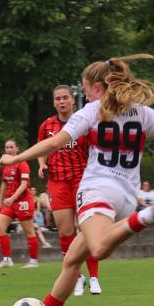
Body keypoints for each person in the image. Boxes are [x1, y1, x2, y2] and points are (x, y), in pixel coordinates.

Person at [0, 54, 154, 306]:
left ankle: (144, 216)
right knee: (72, 260)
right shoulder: (144, 113)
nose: (85, 96)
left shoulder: (93, 111)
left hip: (97, 191)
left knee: (97, 249)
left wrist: (16, 158)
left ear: (97, 88)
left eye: (85, 90)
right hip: (126, 197)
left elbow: (55, 143)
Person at [37, 85, 102, 294]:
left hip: (81, 181)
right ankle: (76, 276)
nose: (62, 102)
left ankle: (94, 277)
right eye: (58, 99)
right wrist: (41, 164)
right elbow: (42, 147)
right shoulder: (47, 126)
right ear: (54, 102)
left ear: (73, 101)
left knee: (86, 230)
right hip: (57, 181)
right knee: (65, 231)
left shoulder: (83, 122)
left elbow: (94, 149)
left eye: (65, 98)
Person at [0, 139, 41, 269]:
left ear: (17, 149)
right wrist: (0, 202)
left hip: (22, 202)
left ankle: (33, 261)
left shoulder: (22, 164)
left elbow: (24, 185)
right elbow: (4, 184)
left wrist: (12, 198)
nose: (8, 149)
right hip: (9, 202)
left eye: (11, 147)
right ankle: (7, 259)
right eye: (7, 147)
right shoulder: (6, 166)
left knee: (28, 231)